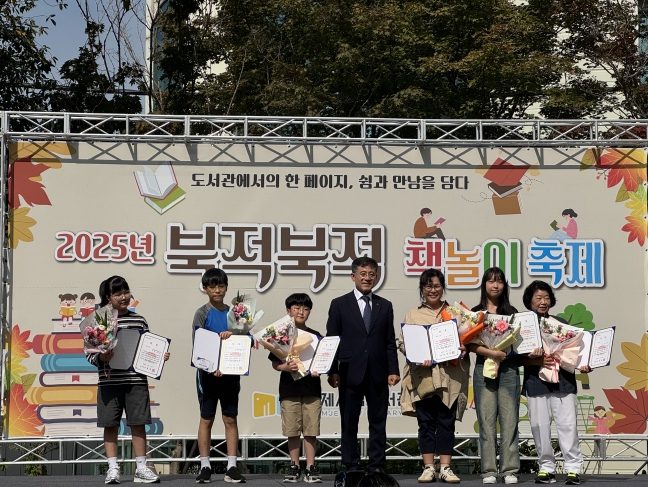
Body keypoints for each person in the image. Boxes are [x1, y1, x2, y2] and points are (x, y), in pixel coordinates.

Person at [86, 276, 170, 484]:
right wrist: (101, 357)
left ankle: (141, 468)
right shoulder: (99, 321)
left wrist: (159, 355)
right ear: (108, 297)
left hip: (136, 381)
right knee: (110, 425)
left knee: (138, 423)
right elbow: (89, 354)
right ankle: (113, 468)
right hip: (109, 382)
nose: (124, 297)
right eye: (118, 294)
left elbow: (148, 347)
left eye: (126, 292)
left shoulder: (139, 320)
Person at [326, 256, 400, 474]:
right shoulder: (339, 304)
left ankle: (377, 464)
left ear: (376, 277)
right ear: (353, 276)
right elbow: (332, 340)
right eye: (363, 274)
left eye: (371, 274)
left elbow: (389, 341)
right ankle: (351, 464)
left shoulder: (384, 305)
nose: (367, 278)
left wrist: (393, 370)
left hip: (378, 371)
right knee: (349, 421)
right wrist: (333, 370)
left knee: (378, 421)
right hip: (349, 371)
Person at [398, 268, 468, 484]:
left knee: (447, 422)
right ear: (422, 289)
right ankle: (428, 467)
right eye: (428, 286)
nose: (433, 290)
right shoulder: (413, 314)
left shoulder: (456, 313)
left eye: (437, 286)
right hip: (423, 376)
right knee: (426, 422)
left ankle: (445, 468)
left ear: (443, 288)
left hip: (449, 376)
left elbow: (466, 339)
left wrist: (463, 348)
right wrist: (417, 355)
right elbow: (402, 342)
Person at [521, 280, 588, 485]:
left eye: (546, 297)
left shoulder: (561, 324)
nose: (543, 301)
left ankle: (573, 468)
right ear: (529, 301)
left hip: (563, 381)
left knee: (567, 425)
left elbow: (575, 352)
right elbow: (516, 357)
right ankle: (546, 468)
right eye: (538, 298)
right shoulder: (523, 325)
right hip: (536, 381)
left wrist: (584, 363)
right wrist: (535, 358)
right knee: (539, 425)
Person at [193, 268, 246, 484]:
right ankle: (205, 466)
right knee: (206, 418)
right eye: (213, 286)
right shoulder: (202, 312)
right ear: (205, 289)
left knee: (230, 418)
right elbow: (198, 343)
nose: (217, 290)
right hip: (207, 375)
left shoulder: (237, 313)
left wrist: (234, 335)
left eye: (221, 286)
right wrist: (211, 366)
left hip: (231, 374)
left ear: (226, 288)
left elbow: (246, 340)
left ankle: (231, 467)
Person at [468, 268, 520, 485]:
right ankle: (489, 470)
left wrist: (504, 353)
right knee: (486, 419)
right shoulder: (475, 313)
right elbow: (468, 344)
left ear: (504, 286)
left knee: (510, 420)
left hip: (508, 369)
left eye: (499, 281)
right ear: (484, 285)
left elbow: (519, 343)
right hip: (484, 368)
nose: (495, 285)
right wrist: (491, 353)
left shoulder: (513, 313)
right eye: (491, 281)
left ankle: (509, 470)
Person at [269, 293, 323, 483]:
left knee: (311, 430)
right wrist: (285, 367)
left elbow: (322, 360)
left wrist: (320, 369)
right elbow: (275, 363)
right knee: (292, 430)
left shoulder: (316, 336)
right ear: (288, 311)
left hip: (311, 389)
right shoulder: (280, 335)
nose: (301, 312)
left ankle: (310, 467)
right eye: (297, 308)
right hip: (289, 389)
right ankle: (294, 466)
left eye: (305, 309)